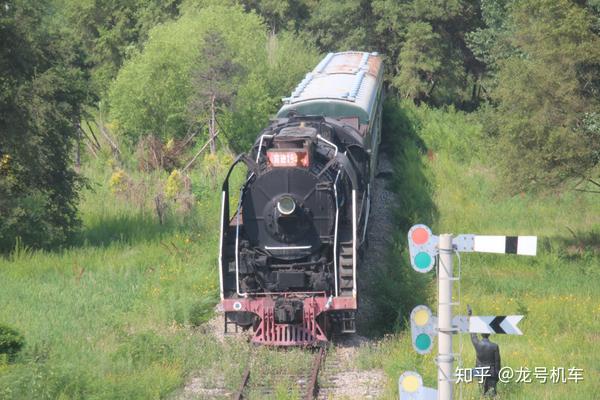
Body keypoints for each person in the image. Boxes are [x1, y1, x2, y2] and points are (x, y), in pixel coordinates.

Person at [467, 305, 501, 396]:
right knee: (492, 394)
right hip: (492, 373)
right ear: (489, 334)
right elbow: (497, 363)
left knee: (483, 394)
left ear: (481, 334)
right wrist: (498, 375)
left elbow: (473, 335)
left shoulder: (477, 344)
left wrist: (470, 317)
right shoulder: (494, 346)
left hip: (481, 372)